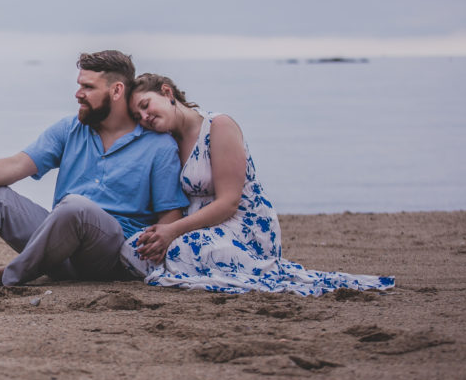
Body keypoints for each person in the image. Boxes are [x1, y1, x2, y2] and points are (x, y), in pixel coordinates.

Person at [0, 51, 189, 289]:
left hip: (108, 256)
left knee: (75, 206)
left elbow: (169, 216)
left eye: (87, 87)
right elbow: (17, 164)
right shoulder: (70, 129)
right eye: (78, 85)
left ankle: (9, 275)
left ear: (117, 90)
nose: (78, 93)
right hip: (56, 251)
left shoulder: (158, 146)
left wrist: (160, 244)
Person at [122, 73, 395, 295]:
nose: (144, 117)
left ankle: (238, 264)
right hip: (198, 226)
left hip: (243, 226)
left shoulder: (218, 126)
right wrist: (163, 232)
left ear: (167, 93)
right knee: (134, 248)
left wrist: (171, 232)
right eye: (137, 116)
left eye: (145, 105)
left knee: (180, 250)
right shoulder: (166, 143)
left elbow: (229, 203)